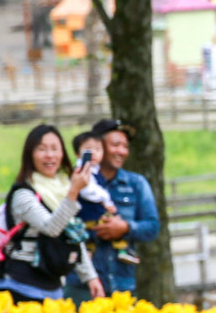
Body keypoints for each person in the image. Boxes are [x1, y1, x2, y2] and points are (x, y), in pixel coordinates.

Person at [0, 124, 104, 303]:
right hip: (19, 286)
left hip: (53, 288)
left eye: (54, 149)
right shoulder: (24, 194)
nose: (49, 155)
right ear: (30, 155)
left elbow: (73, 234)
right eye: (42, 149)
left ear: (62, 154)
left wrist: (90, 276)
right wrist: (74, 192)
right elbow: (52, 227)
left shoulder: (63, 188)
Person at [63, 119, 159, 300]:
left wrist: (125, 228)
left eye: (125, 146)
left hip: (122, 284)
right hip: (81, 284)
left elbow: (152, 227)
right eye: (115, 145)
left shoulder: (136, 183)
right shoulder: (73, 181)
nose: (121, 151)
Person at [70, 131, 138, 265]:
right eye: (89, 150)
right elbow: (87, 191)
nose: (94, 153)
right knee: (111, 222)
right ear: (78, 154)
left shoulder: (94, 170)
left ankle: (85, 260)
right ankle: (122, 250)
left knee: (90, 242)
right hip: (90, 214)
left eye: (98, 149)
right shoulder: (82, 171)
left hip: (89, 217)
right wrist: (105, 199)